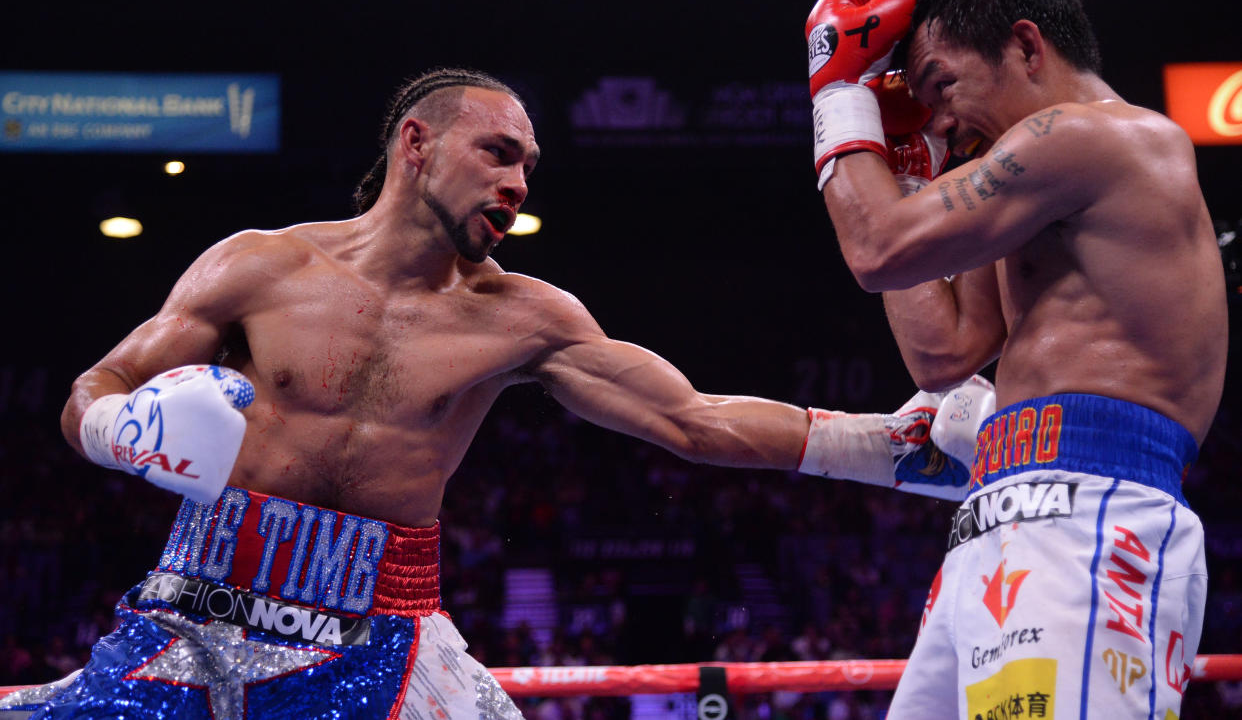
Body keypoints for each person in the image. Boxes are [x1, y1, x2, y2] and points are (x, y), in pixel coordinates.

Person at [0, 68, 990, 720]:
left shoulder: (524, 315)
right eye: (500, 153)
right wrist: (118, 430)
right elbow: (98, 387)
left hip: (381, 628)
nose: (520, 182)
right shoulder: (257, 267)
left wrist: (889, 449)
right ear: (416, 144)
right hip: (196, 609)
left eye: (530, 164)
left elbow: (689, 417)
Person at [803, 0, 1227, 718]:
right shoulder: (1033, 187)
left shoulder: (1096, 136)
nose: (941, 119)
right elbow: (944, 350)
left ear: (1025, 44)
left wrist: (839, 95)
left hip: (1091, 514)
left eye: (942, 85)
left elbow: (878, 248)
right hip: (1000, 517)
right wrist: (901, 155)